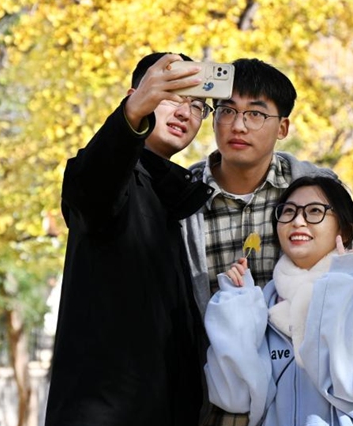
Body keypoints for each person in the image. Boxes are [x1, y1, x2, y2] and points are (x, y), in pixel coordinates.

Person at [45, 52, 214, 426]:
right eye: (172, 96)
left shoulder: (180, 199)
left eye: (199, 106)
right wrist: (133, 113)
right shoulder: (108, 179)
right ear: (136, 95)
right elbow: (92, 187)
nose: (185, 113)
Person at [180, 58, 334, 425]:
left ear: (282, 127)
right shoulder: (181, 198)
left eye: (255, 114)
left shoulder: (317, 191)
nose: (238, 125)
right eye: (227, 110)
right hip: (215, 404)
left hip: (304, 401)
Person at [203, 176, 353, 426]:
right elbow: (237, 397)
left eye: (314, 212)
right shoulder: (264, 302)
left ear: (344, 229)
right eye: (288, 212)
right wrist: (235, 305)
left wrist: (344, 289)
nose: (298, 221)